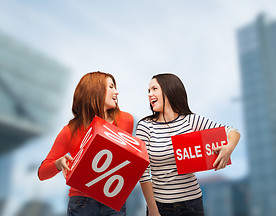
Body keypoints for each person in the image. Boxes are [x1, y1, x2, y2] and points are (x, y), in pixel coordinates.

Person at [136, 73, 240, 216]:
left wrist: (229, 148)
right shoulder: (145, 126)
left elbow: (232, 131)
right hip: (160, 207)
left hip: (192, 204)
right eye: (148, 91)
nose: (149, 94)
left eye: (154, 89)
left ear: (169, 90)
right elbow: (143, 172)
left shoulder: (190, 121)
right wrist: (153, 210)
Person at [38, 71, 134, 216]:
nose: (117, 92)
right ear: (96, 90)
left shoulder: (125, 120)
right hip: (82, 202)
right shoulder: (70, 131)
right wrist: (59, 163)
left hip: (113, 199)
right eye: (111, 87)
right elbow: (42, 173)